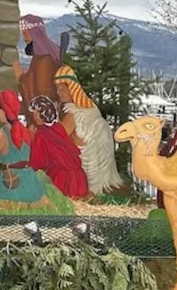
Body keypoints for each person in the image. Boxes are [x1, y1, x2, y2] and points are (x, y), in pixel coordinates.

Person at [53, 65, 126, 194]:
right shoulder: (91, 108)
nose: (58, 92)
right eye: (57, 88)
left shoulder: (73, 112)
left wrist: (51, 119)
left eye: (61, 88)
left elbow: (58, 136)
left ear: (71, 88)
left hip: (88, 160)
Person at [0, 91, 50, 208]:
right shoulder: (24, 130)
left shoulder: (5, 131)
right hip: (29, 180)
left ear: (5, 110)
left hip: (9, 179)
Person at [26, 95, 90, 199]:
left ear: (44, 114)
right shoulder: (58, 128)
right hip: (78, 179)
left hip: (61, 180)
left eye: (37, 114)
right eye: (34, 115)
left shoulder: (41, 134)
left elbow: (38, 162)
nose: (35, 117)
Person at [12, 14, 68, 109]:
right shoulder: (45, 55)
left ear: (35, 34)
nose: (24, 37)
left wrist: (20, 75)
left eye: (26, 33)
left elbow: (41, 91)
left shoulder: (44, 60)